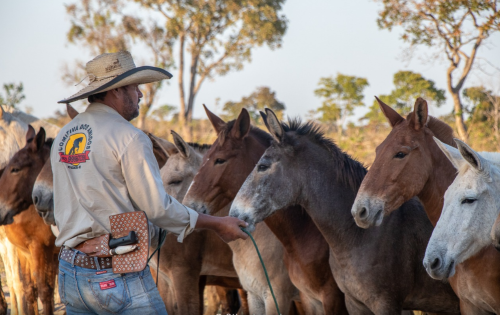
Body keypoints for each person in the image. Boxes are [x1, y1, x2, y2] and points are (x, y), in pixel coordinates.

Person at [53, 51, 248, 315]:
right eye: (135, 88)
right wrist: (218, 224)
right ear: (118, 91)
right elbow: (158, 210)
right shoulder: (129, 137)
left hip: (70, 272)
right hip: (116, 269)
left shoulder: (64, 137)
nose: (140, 95)